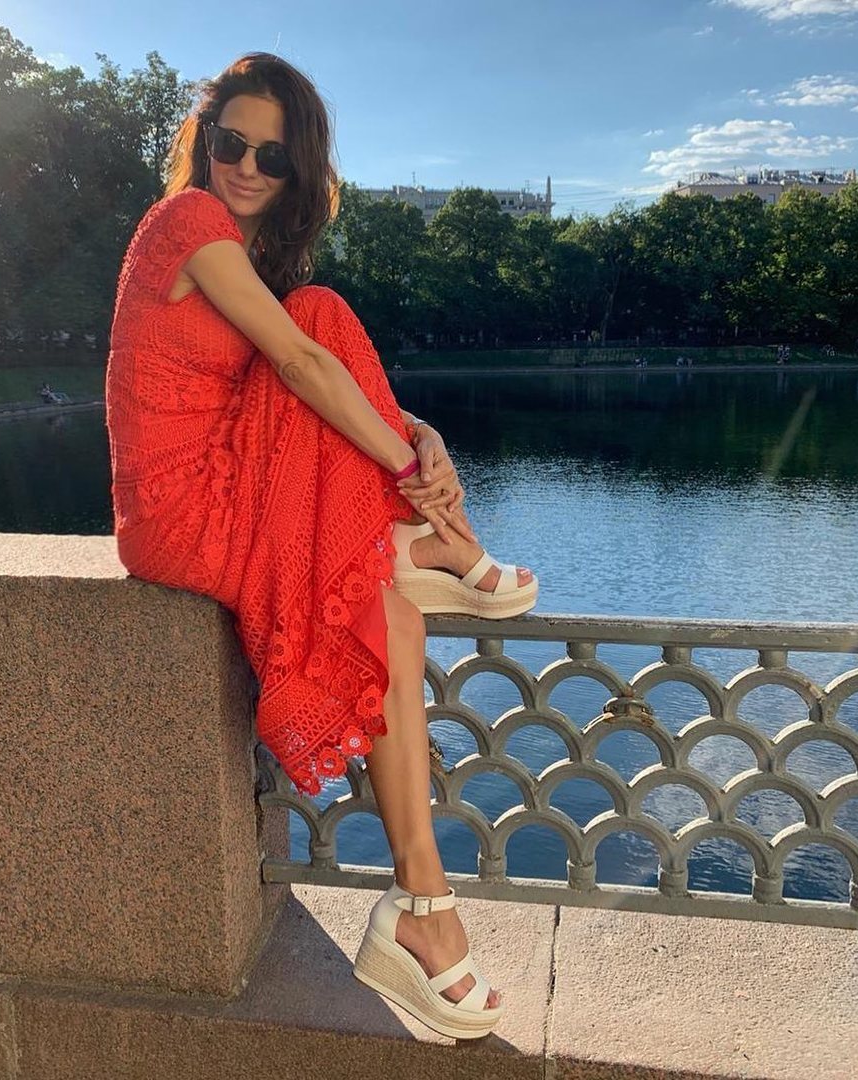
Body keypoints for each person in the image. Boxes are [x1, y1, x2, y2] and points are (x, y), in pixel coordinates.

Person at [104, 53, 537, 1040]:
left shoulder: (243, 257)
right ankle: (429, 542)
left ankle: (422, 907)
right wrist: (415, 473)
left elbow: (304, 376)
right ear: (202, 140)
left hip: (228, 483)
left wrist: (418, 432)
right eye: (232, 142)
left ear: (298, 169)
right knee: (320, 318)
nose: (248, 166)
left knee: (386, 617)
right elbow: (301, 364)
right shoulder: (185, 220)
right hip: (180, 512)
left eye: (274, 155)